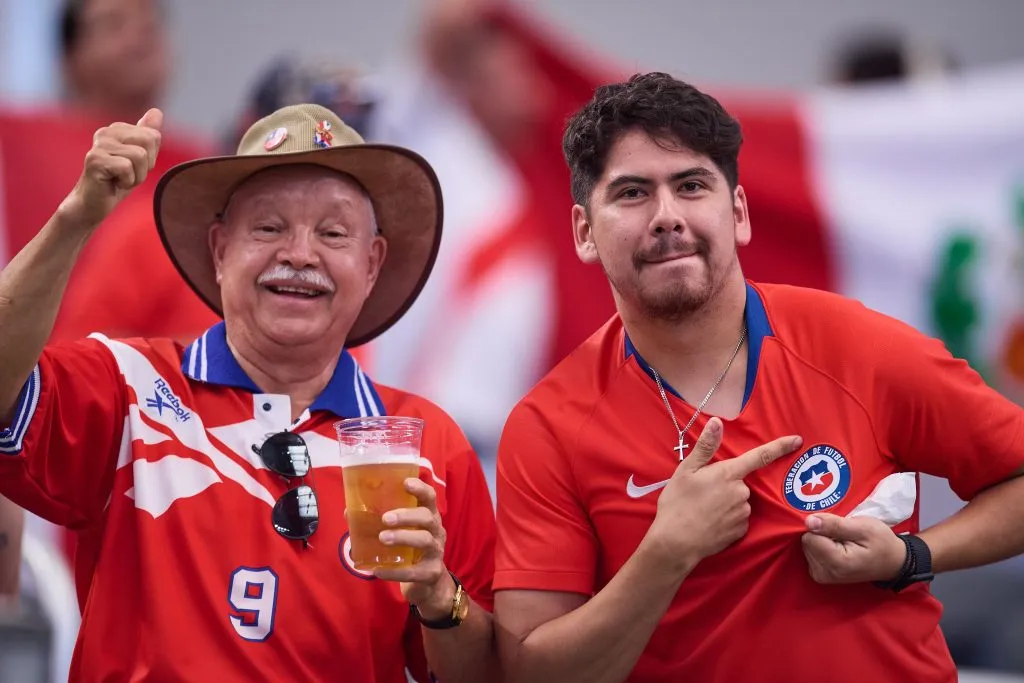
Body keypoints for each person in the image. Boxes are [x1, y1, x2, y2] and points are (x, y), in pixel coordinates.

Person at [492, 72, 1024, 683]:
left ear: (738, 213)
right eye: (633, 194)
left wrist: (914, 556)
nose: (667, 217)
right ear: (585, 232)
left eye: (691, 186)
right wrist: (666, 552)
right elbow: (531, 672)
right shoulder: (548, 425)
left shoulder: (857, 344)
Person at [0, 103, 499, 682]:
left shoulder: (426, 444)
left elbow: (486, 674)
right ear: (219, 250)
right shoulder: (129, 386)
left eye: (332, 233)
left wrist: (441, 598)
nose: (300, 254)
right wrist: (74, 219)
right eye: (268, 227)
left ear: (371, 265)